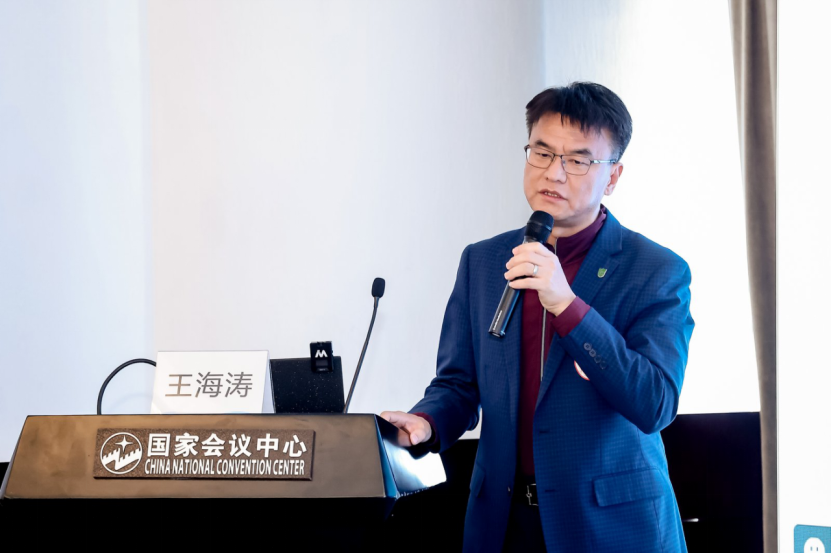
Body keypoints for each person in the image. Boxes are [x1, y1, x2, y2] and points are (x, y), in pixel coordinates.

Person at [381, 82, 694, 553]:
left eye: (578, 160)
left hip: (611, 527)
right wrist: (427, 421)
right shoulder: (483, 261)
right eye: (542, 153)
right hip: (504, 524)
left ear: (613, 176)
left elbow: (655, 403)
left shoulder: (655, 270)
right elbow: (459, 385)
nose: (554, 173)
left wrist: (567, 305)